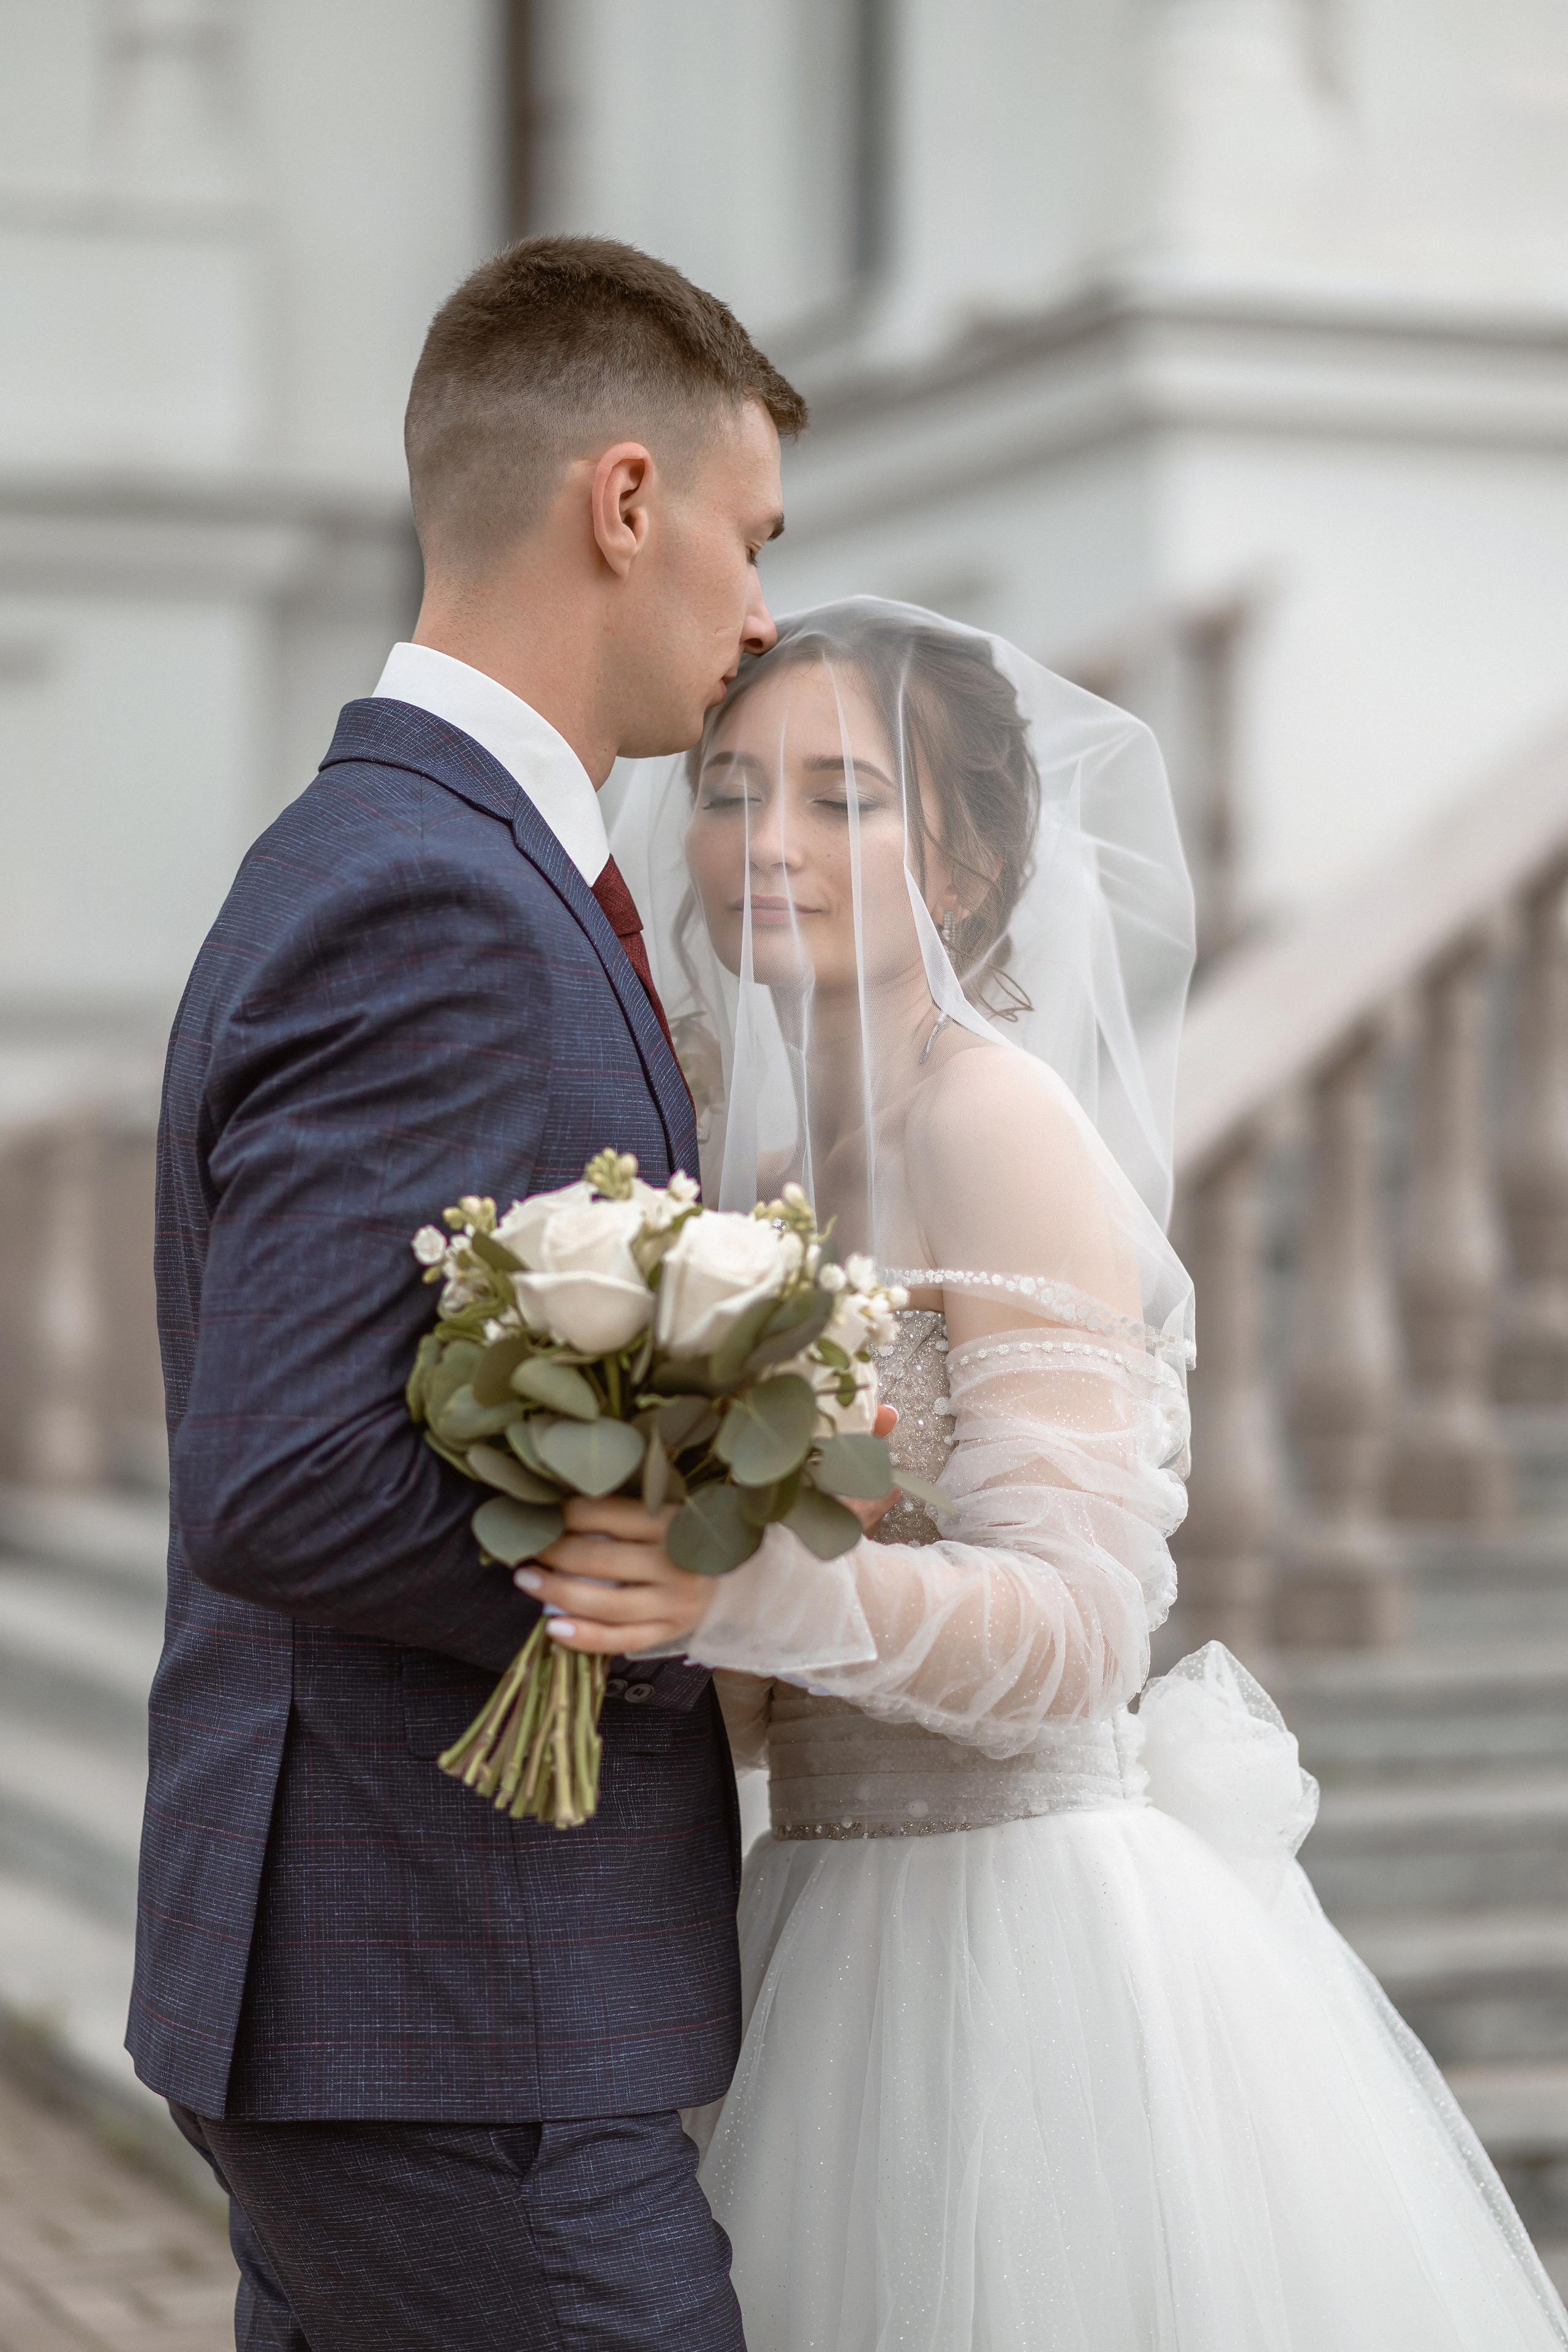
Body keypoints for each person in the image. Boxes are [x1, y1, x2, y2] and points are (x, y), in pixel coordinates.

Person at [524, 598, 1568, 2348]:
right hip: (820, 1914)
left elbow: (1082, 1628)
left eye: (841, 797)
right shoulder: (752, 1149)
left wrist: (730, 1587)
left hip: (1008, 1946)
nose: (763, 842)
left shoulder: (985, 1119)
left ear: (973, 859)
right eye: (728, 787)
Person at [130, 233, 815, 2352]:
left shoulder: (408, 852)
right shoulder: (435, 890)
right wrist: (692, 1579)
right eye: (751, 533)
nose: (766, 608)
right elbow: (289, 1475)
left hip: (412, 1994)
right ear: (625, 502)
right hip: (446, 2011)